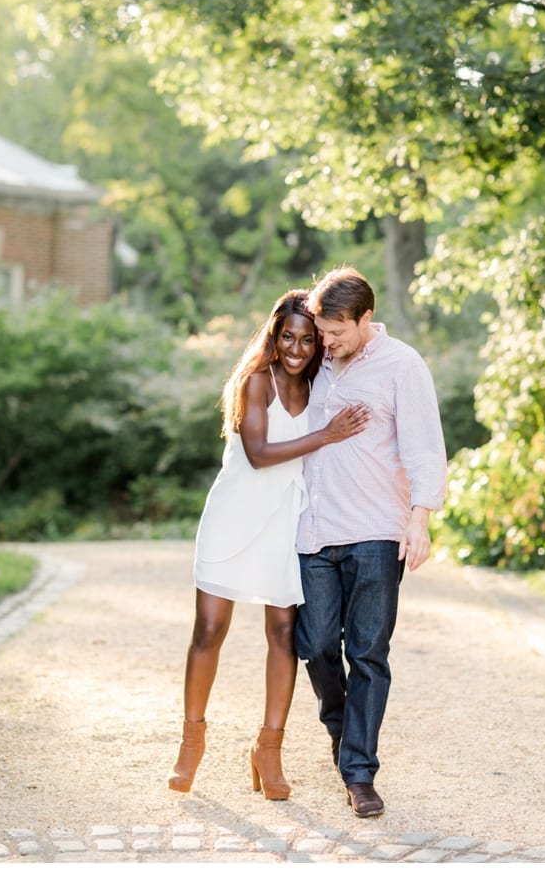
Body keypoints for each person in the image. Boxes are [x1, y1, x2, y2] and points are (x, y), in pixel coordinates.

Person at [168, 290, 370, 799]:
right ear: (274, 337)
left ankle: (268, 750)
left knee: (283, 635)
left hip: (285, 523)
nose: (298, 348)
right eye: (288, 337)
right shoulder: (256, 381)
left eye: (308, 339)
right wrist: (326, 435)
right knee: (209, 630)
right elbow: (257, 453)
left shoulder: (323, 386)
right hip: (233, 518)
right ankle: (191, 743)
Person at [293, 266, 447, 818]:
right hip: (312, 531)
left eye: (335, 331)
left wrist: (420, 518)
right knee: (312, 645)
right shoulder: (315, 363)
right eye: (321, 330)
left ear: (365, 320)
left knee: (367, 653)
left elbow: (426, 446)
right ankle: (342, 732)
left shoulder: (402, 365)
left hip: (377, 533)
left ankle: (359, 772)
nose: (326, 342)